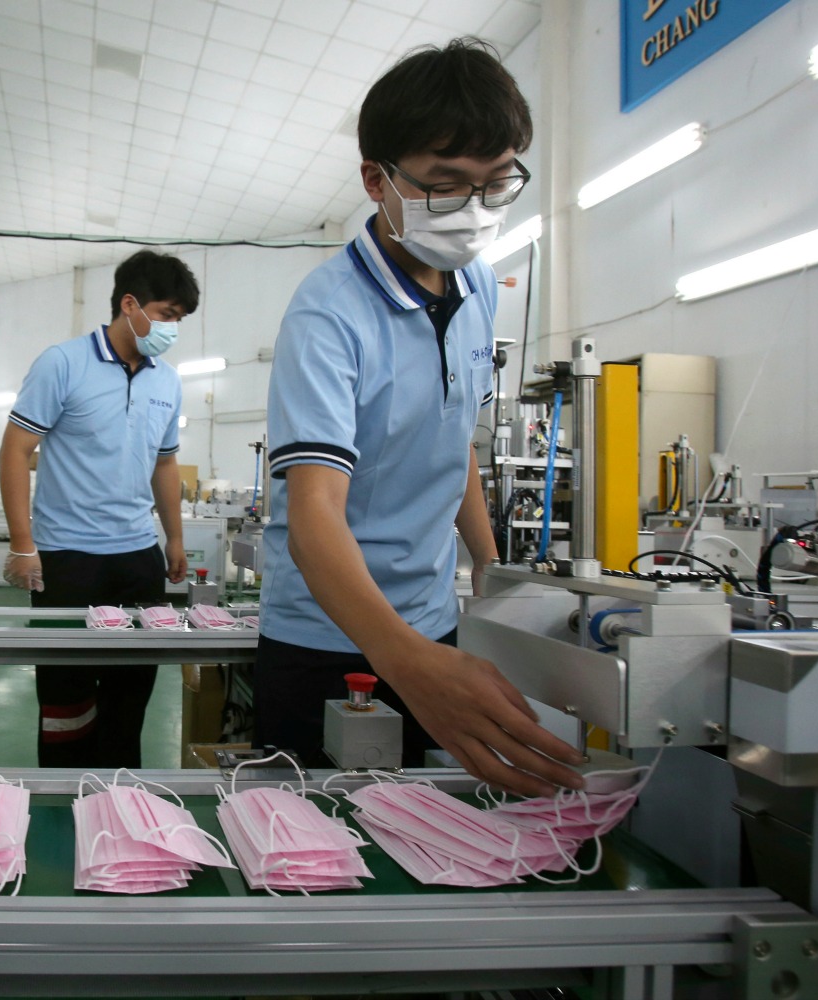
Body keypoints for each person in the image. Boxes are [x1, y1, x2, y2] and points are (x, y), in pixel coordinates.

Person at [257, 38, 585, 796]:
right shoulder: (329, 315)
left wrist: (490, 566)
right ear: (377, 180)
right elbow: (314, 517)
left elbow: (454, 440)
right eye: (444, 186)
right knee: (323, 857)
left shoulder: (477, 287)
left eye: (496, 185)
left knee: (435, 833)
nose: (472, 212)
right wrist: (400, 660)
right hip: (329, 637)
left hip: (432, 625)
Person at [0, 249, 196, 768]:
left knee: (132, 689)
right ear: (129, 304)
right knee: (66, 693)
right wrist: (23, 545)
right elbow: (15, 451)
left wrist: (173, 540)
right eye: (167, 314)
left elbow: (165, 465)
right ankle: (63, 792)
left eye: (179, 319)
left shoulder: (167, 381)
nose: (172, 328)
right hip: (68, 559)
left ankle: (119, 788)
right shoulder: (63, 363)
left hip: (137, 558)